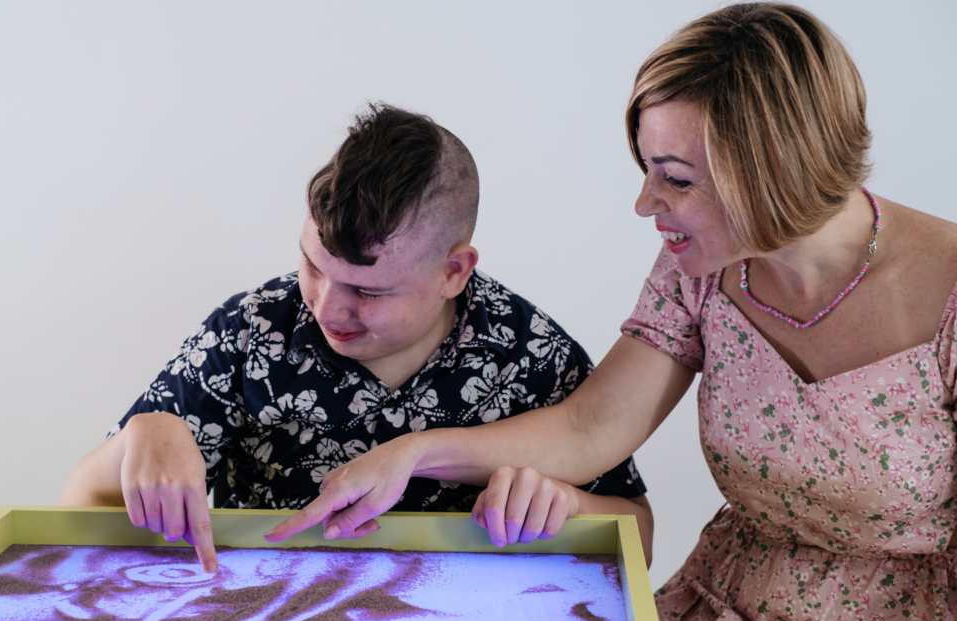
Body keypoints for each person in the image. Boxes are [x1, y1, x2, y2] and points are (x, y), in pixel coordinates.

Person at [265, 5, 957, 621]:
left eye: (675, 179)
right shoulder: (704, 266)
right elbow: (592, 427)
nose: (644, 203)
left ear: (772, 170)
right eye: (647, 168)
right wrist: (412, 454)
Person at [59, 104, 652, 575]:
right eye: (313, 267)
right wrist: (144, 435)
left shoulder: (532, 355)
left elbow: (639, 535)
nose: (327, 306)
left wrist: (566, 508)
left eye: (370, 293)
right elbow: (78, 503)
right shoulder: (253, 330)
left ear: (455, 271)